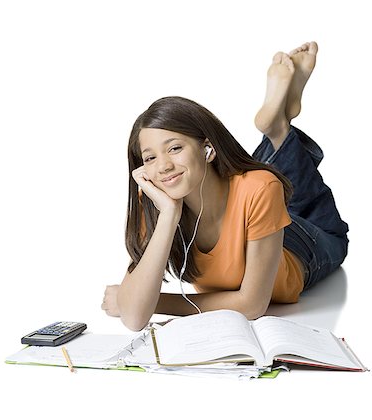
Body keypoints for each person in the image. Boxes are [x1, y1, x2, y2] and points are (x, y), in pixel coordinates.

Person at [101, 41, 349, 331]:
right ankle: (280, 127)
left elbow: (252, 305)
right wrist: (168, 215)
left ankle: (278, 130)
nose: (163, 165)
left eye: (175, 148)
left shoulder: (259, 188)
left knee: (266, 183)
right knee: (258, 180)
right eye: (150, 157)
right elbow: (133, 318)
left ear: (207, 148)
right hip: (255, 209)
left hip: (305, 245)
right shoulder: (157, 207)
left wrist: (156, 301)